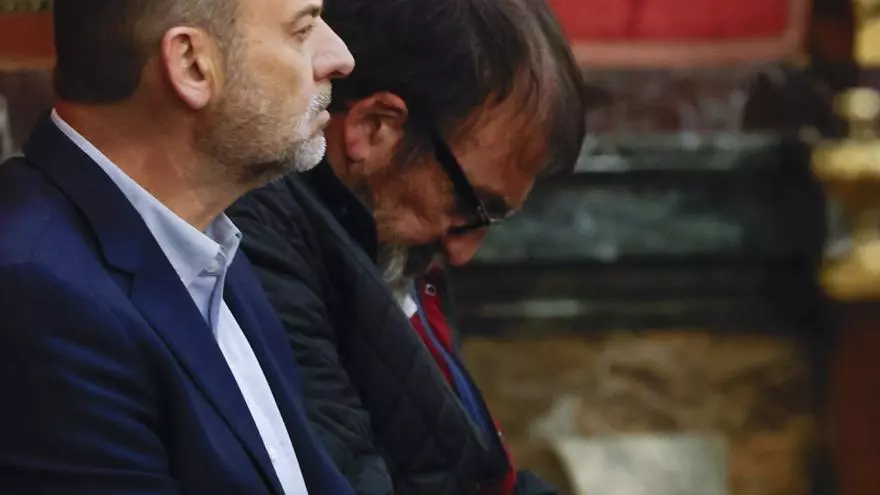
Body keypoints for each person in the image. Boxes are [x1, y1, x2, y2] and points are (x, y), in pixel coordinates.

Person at [227, 0, 586, 492]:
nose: (462, 252)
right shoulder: (261, 244)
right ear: (375, 126)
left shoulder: (388, 229)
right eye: (470, 205)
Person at [0, 0, 354, 493]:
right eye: (303, 29)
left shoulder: (206, 238)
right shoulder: (39, 297)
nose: (340, 57)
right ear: (191, 64)